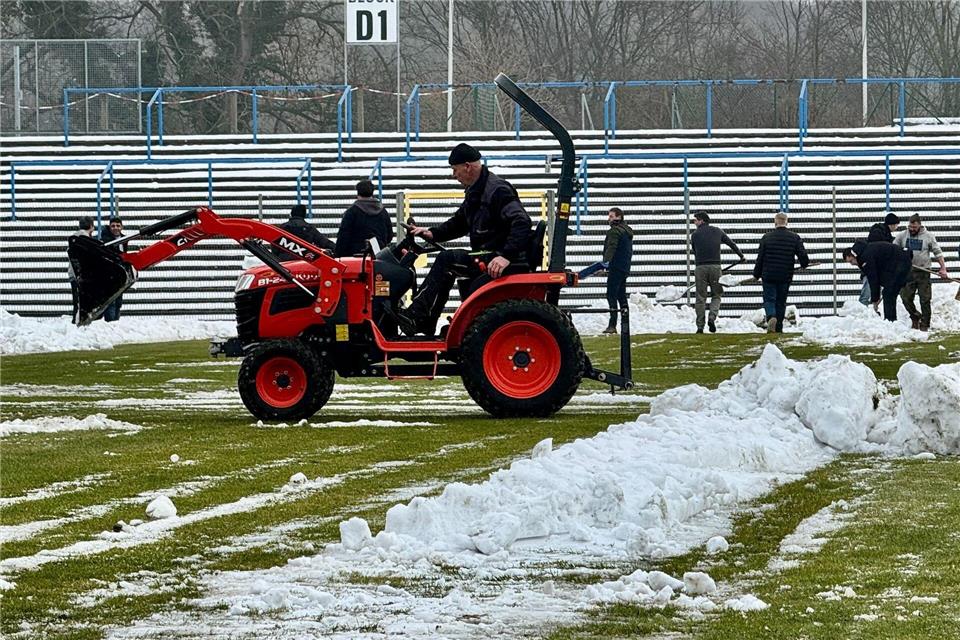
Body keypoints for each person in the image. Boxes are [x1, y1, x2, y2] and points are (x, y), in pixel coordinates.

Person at [397, 143, 531, 336]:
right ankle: (424, 320)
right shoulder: (477, 190)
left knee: (447, 260)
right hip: (487, 254)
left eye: (455, 170)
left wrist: (505, 256)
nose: (454, 175)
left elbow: (522, 222)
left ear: (467, 166)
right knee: (448, 262)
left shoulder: (497, 190)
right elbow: (460, 222)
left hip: (495, 257)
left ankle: (418, 315)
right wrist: (432, 233)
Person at [752, 212, 809, 333]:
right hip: (785, 274)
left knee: (769, 299)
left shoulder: (766, 237)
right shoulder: (794, 237)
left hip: (768, 274)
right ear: (786, 222)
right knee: (781, 301)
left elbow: (760, 258)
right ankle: (778, 327)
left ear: (775, 222)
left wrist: (756, 274)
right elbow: (803, 255)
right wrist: (804, 264)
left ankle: (771, 316)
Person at [690, 211, 744, 334]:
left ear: (701, 221)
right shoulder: (718, 231)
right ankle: (712, 317)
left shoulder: (695, 234)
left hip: (700, 268)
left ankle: (700, 326)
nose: (694, 222)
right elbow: (731, 244)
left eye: (695, 220)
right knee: (717, 295)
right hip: (715, 267)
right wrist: (741, 256)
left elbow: (695, 250)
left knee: (700, 297)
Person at [893, 213, 949, 331]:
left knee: (925, 299)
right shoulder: (902, 236)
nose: (912, 229)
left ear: (920, 226)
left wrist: (943, 268)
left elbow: (937, 252)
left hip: (924, 271)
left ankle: (925, 323)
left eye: (914, 227)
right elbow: (893, 249)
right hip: (908, 272)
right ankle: (915, 316)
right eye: (910, 227)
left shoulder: (928, 236)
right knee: (905, 298)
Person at [843, 240, 912, 321]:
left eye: (851, 261)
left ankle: (890, 321)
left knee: (888, 293)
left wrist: (875, 299)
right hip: (898, 262)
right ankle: (890, 320)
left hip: (901, 263)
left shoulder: (865, 257)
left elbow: (873, 278)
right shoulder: (864, 252)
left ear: (853, 255)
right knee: (888, 292)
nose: (852, 264)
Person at [334, 179, 394, 257]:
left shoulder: (352, 212)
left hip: (355, 256)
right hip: (379, 254)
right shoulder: (383, 211)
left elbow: (343, 237)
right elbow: (389, 235)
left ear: (358, 192)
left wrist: (338, 254)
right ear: (372, 192)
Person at [601, 207, 634, 334]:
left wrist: (605, 264)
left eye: (611, 216)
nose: (609, 219)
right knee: (621, 295)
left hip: (615, 266)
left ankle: (612, 324)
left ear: (618, 217)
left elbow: (611, 248)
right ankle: (625, 323)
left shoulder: (614, 231)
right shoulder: (627, 230)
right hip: (624, 266)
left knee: (611, 294)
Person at [859, 212, 900, 305]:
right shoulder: (880, 233)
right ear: (892, 224)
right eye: (896, 225)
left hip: (877, 268)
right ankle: (861, 312)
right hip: (872, 268)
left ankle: (871, 311)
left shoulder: (884, 233)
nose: (897, 227)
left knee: (873, 292)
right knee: (867, 292)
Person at [99, 217, 127, 322]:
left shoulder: (124, 239)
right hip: (109, 275)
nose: (115, 228)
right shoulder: (105, 240)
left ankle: (116, 322)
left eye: (118, 226)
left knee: (118, 301)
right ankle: (111, 323)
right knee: (111, 301)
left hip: (120, 274)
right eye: (113, 226)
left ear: (122, 227)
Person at [68, 216, 95, 324]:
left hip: (73, 272)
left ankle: (76, 320)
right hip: (82, 274)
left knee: (77, 300)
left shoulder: (74, 237)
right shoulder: (85, 239)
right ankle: (79, 321)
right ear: (91, 226)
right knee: (82, 301)